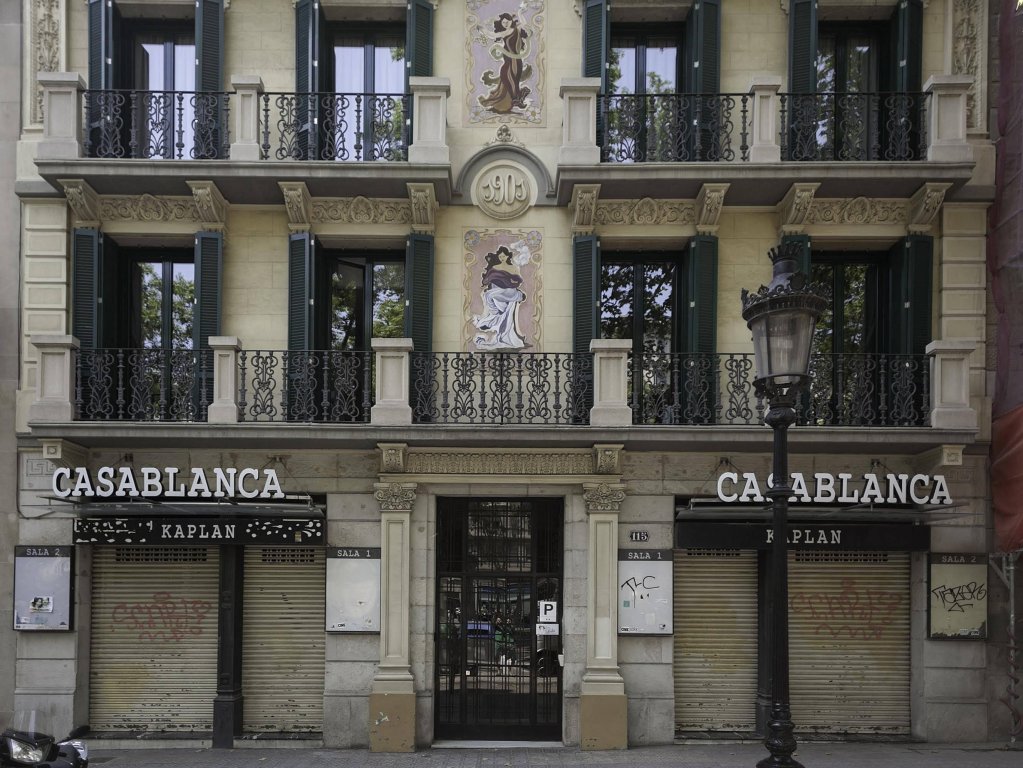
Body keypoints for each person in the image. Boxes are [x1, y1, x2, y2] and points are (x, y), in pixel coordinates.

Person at [473, 242, 530, 350]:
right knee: (489, 295)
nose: (501, 258)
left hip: (510, 292)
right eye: (500, 256)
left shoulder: (513, 267)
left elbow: (518, 281)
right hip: (499, 293)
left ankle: (494, 314)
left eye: (503, 256)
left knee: (488, 295)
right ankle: (497, 318)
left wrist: (508, 282)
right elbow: (488, 279)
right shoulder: (495, 267)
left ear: (508, 256)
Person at [477, 13, 532, 114]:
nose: (505, 24)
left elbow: (524, 23)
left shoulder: (515, 29)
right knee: (506, 79)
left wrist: (520, 12)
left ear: (511, 21)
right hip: (509, 59)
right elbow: (493, 35)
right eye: (503, 22)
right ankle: (506, 103)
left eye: (507, 21)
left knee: (508, 77)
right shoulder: (505, 32)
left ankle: (517, 98)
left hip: (514, 60)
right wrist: (482, 29)